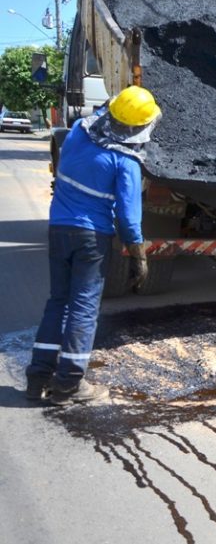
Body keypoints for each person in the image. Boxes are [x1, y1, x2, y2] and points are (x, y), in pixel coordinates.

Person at [25, 85, 162, 405]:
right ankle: (69, 383)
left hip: (59, 229)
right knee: (83, 307)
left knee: (58, 301)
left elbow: (102, 114)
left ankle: (38, 376)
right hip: (92, 238)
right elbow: (128, 219)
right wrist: (138, 255)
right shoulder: (124, 161)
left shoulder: (77, 134)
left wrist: (115, 104)